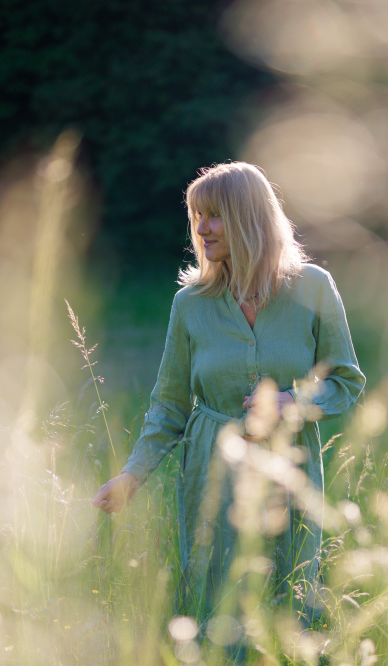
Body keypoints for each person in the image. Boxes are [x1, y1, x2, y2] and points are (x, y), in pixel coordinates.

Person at [93, 161, 365, 623]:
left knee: (288, 591)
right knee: (215, 594)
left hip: (289, 463)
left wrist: (295, 404)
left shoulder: (313, 288)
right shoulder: (190, 305)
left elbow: (346, 382)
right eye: (196, 216)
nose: (201, 229)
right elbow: (169, 405)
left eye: (214, 215)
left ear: (250, 217)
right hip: (211, 468)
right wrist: (131, 476)